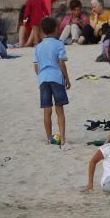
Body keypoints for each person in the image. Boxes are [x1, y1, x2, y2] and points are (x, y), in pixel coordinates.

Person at [33, 18, 70, 147]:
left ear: (42, 31)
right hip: (56, 78)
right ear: (55, 29)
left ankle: (49, 138)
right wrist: (67, 79)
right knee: (59, 110)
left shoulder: (38, 46)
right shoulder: (59, 44)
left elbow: (36, 67)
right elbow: (61, 63)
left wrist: (41, 76)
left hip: (43, 79)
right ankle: (63, 138)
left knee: (47, 110)